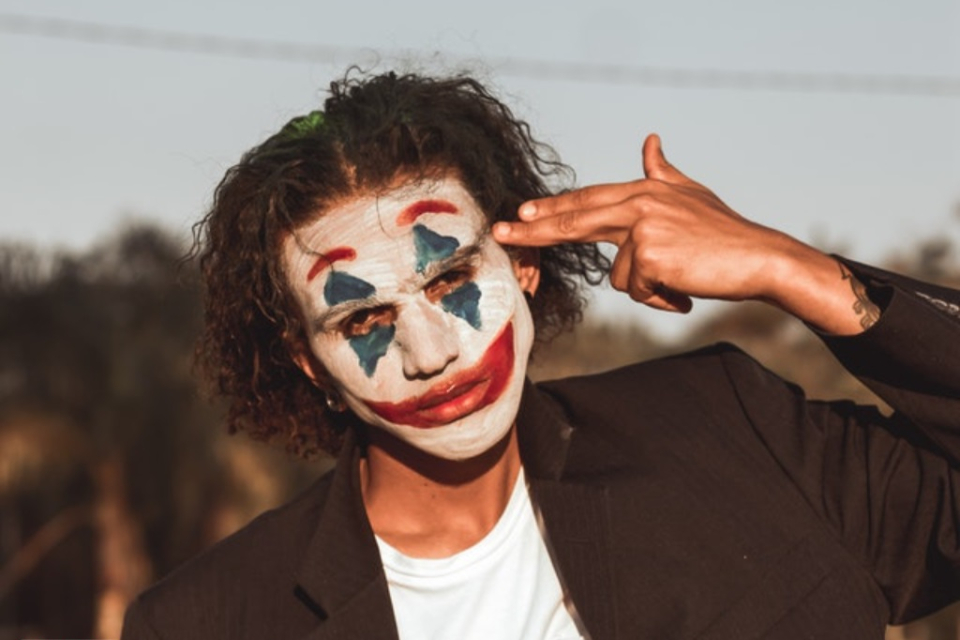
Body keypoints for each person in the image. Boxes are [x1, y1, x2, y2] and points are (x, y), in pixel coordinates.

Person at [121, 70, 960, 640]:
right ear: (308, 361)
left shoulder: (726, 429)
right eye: (364, 319)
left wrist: (793, 270)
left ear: (522, 264)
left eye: (451, 276)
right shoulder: (211, 620)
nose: (430, 352)